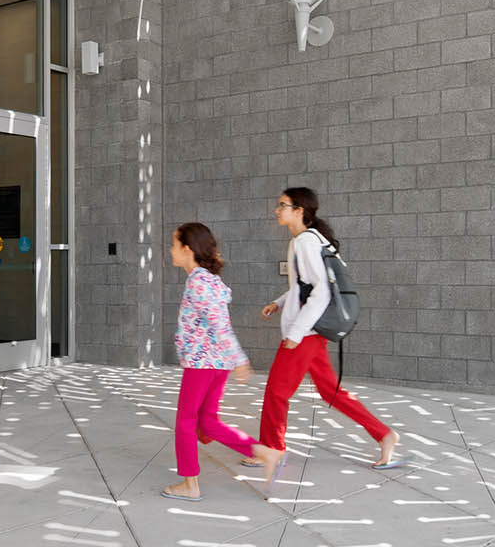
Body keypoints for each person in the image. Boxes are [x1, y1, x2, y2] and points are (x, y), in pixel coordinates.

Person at [258, 188, 400, 470]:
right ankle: (384, 434)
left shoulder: (306, 242)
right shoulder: (307, 239)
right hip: (312, 332)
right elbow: (304, 286)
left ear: (299, 210)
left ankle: (273, 449)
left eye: (282, 205)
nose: (277, 210)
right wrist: (278, 303)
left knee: (277, 392)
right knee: (331, 393)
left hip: (306, 334)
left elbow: (321, 291)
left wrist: (296, 333)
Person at [161, 221, 279, 502]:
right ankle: (263, 452)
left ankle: (190, 484)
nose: (170, 250)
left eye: (174, 245)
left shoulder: (199, 282)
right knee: (208, 421)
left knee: (185, 422)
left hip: (203, 365)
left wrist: (239, 359)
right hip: (216, 365)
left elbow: (220, 326)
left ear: (187, 249)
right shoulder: (207, 280)